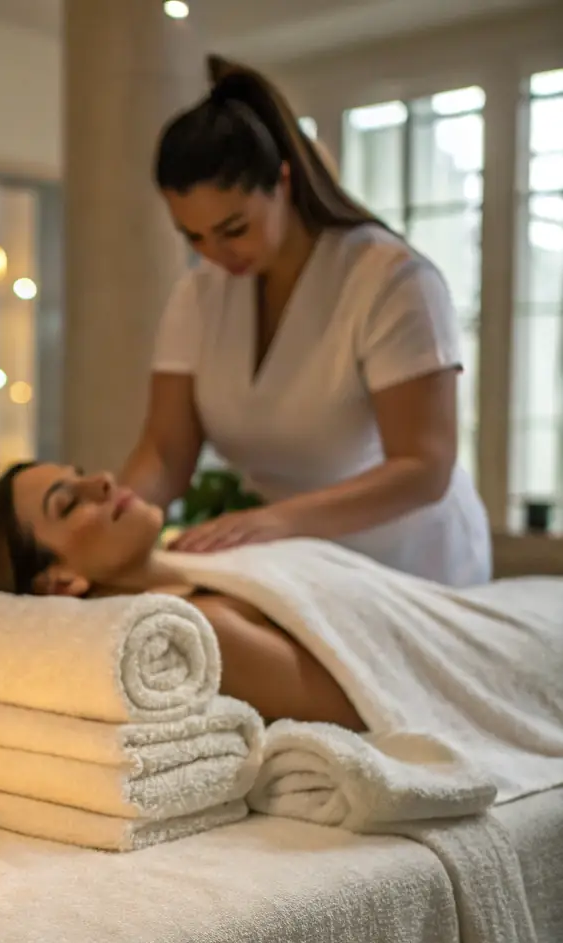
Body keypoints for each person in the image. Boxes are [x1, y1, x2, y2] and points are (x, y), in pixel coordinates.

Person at [119, 55, 491, 586]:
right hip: (291, 563)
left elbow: (423, 467)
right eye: (193, 237)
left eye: (234, 228)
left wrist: (274, 522)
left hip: (412, 564)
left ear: (283, 183)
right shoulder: (199, 294)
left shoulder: (391, 280)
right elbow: (165, 450)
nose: (215, 253)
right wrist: (116, 514)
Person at [0, 462, 365, 730]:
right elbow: (366, 705)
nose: (101, 480)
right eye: (68, 504)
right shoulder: (206, 631)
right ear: (61, 581)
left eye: (80, 473)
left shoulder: (200, 554)